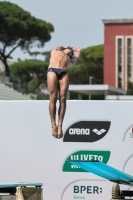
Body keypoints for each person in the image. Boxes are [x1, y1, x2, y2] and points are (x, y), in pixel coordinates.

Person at [47, 46, 80, 139]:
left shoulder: (69, 60)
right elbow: (58, 47)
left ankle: (60, 125)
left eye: (72, 52)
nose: (71, 51)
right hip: (52, 70)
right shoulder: (55, 51)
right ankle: (53, 125)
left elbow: (75, 59)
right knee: (53, 96)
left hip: (63, 72)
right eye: (70, 50)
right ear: (64, 49)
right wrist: (66, 47)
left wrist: (78, 52)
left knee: (63, 98)